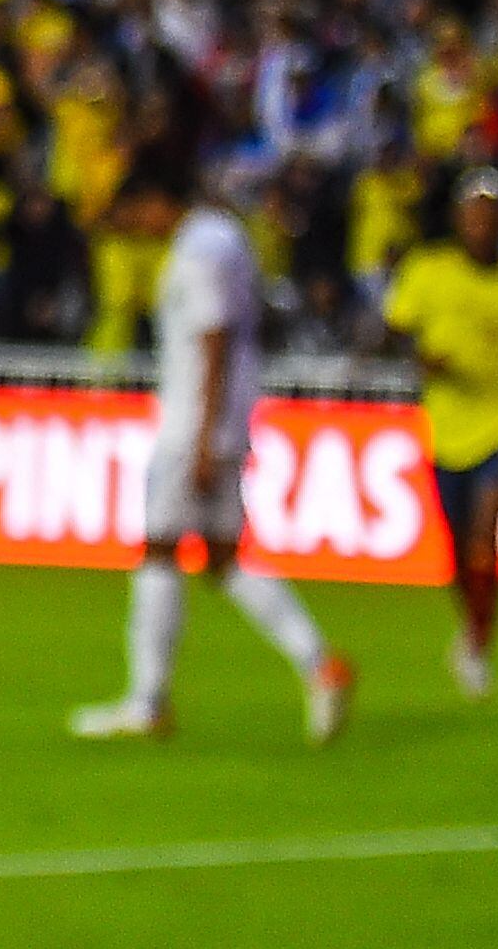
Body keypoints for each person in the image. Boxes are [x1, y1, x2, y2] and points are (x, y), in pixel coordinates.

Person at [71, 153, 357, 744]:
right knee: (224, 559)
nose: (140, 225)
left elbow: (214, 338)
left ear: (158, 200)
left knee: (157, 550)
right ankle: (319, 663)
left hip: (193, 426)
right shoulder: (226, 239)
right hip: (226, 420)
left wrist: (202, 437)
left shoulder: (198, 250)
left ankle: (148, 701)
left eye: (139, 210)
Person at [380, 167, 498, 698]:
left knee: (483, 539)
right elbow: (393, 334)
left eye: (490, 211)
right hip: (446, 422)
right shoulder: (428, 271)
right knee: (458, 550)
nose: (481, 220)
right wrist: (423, 361)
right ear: (459, 217)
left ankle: (478, 643)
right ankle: (474, 628)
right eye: (473, 210)